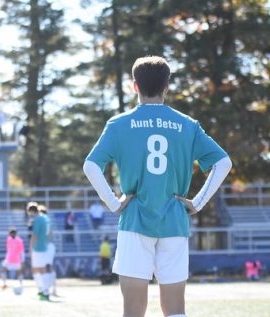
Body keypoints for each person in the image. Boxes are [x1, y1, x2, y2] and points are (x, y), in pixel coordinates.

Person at [83, 56, 232, 317]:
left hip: (134, 221)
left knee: (133, 311)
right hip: (174, 220)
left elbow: (91, 166)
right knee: (175, 310)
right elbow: (223, 162)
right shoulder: (187, 124)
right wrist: (197, 202)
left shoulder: (118, 124)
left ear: (134, 86)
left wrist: (114, 202)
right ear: (167, 86)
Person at [28, 203, 51, 300]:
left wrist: (30, 248)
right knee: (39, 269)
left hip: (38, 248)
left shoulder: (37, 219)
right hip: (44, 246)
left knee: (40, 270)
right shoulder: (44, 218)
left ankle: (44, 291)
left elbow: (34, 235)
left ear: (32, 211)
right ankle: (42, 290)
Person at [38, 204, 58, 296]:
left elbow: (46, 235)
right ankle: (51, 288)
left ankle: (47, 289)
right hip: (49, 245)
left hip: (48, 246)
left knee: (47, 267)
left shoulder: (44, 220)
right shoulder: (46, 220)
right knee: (49, 266)